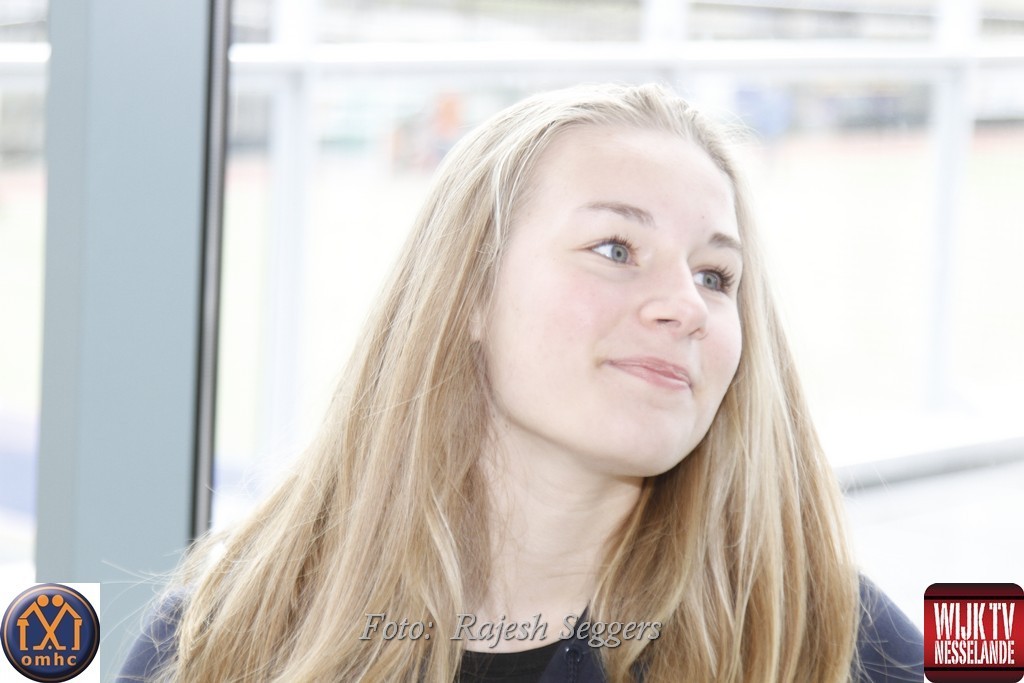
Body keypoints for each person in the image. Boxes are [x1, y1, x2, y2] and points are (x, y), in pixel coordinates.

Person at [118, 83, 922, 682]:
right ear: (470, 289)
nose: (685, 305)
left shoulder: (827, 637)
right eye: (616, 249)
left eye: (715, 275)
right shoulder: (227, 630)